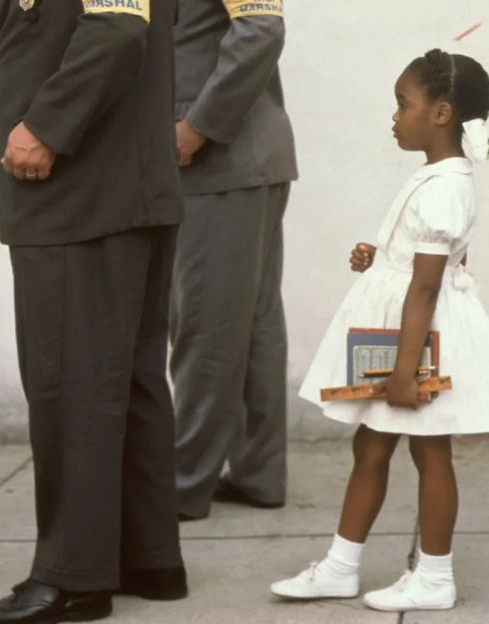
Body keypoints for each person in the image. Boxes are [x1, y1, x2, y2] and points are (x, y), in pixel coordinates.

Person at [0, 0, 188, 621]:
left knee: (72, 386)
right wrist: (14, 23)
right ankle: (144, 557)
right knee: (128, 380)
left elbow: (118, 25)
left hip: (82, 195)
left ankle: (73, 576)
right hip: (119, 189)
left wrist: (48, 125)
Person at [268, 48, 489, 613]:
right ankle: (340, 566)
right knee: (371, 445)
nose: (394, 115)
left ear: (441, 112)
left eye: (403, 104)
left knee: (431, 454)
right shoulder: (437, 175)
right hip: (403, 329)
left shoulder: (445, 187)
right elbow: (419, 264)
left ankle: (434, 576)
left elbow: (427, 287)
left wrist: (406, 370)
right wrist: (380, 255)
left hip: (420, 341)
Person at [170, 0, 298, 521]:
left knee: (206, 323)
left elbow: (262, 30)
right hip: (244, 160)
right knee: (252, 323)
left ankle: (183, 485)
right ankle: (259, 474)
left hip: (219, 160)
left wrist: (197, 126)